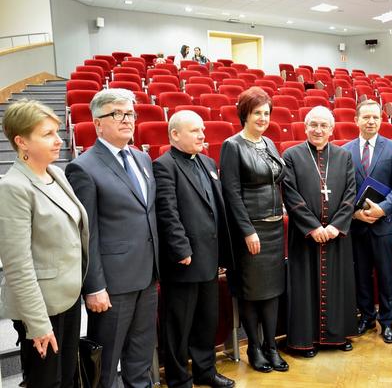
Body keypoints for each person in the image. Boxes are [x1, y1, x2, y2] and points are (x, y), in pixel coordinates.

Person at [66, 88, 160, 387]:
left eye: (130, 113)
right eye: (116, 114)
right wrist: (94, 287)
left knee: (140, 357)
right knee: (105, 366)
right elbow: (86, 234)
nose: (126, 119)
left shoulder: (143, 159)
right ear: (97, 123)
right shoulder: (83, 167)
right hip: (112, 286)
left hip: (146, 276)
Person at [0, 99, 88, 387]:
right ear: (21, 142)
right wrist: (37, 324)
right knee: (46, 382)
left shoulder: (56, 173)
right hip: (40, 308)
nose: (58, 140)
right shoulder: (13, 187)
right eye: (47, 134)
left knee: (67, 379)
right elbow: (17, 265)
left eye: (57, 132)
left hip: (68, 297)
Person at [153, 110, 235, 388]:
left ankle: (205, 371)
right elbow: (168, 212)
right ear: (175, 135)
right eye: (195, 131)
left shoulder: (207, 162)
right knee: (178, 325)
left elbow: (217, 208)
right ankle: (178, 379)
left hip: (210, 259)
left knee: (206, 321)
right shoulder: (164, 165)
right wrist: (181, 250)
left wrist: (223, 253)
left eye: (202, 130)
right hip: (184, 261)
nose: (203, 135)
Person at [220, 87, 288, 373]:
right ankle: (254, 349)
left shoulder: (269, 143)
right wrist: (247, 231)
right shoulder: (233, 145)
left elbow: (277, 180)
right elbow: (232, 193)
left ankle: (271, 346)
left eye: (266, 113)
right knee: (251, 292)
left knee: (272, 291)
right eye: (257, 113)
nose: (263, 118)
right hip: (250, 231)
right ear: (244, 114)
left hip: (273, 229)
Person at [282, 106, 358, 357]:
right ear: (305, 127)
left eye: (324, 125)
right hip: (305, 236)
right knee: (304, 287)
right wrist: (313, 227)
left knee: (338, 285)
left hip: (337, 236)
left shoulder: (343, 156)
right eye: (313, 124)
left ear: (331, 129)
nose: (318, 130)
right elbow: (291, 195)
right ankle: (305, 340)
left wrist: (336, 226)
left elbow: (350, 193)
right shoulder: (292, 155)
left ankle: (337, 336)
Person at [342, 100, 392, 344]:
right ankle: (367, 316)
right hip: (357, 224)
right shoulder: (345, 150)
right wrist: (353, 213)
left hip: (384, 225)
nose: (371, 121)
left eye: (375, 118)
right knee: (361, 274)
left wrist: (382, 209)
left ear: (382, 121)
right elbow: (342, 189)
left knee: (386, 275)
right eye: (366, 117)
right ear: (356, 120)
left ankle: (388, 321)